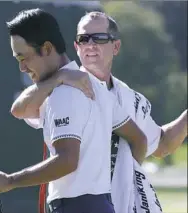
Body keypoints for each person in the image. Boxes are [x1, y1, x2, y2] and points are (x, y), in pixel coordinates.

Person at [10, 11, 187, 212]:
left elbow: (161, 144)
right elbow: (20, 109)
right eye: (83, 39)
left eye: (99, 38)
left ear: (116, 46)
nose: (90, 45)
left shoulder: (130, 98)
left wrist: (123, 180)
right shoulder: (62, 86)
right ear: (76, 47)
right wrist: (58, 78)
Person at [0, 9, 148, 213]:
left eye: (24, 57)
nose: (22, 67)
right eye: (18, 60)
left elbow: (67, 161)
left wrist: (10, 181)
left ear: (47, 48)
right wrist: (122, 190)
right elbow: (139, 139)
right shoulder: (94, 87)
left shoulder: (64, 94)